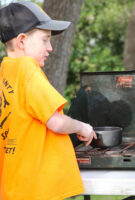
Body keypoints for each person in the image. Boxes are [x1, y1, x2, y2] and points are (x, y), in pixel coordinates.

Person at [0, 1, 96, 200]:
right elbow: (56, 122)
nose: (50, 48)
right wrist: (81, 127)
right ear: (22, 41)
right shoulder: (28, 70)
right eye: (45, 40)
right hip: (37, 189)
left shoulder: (5, 71)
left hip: (14, 185)